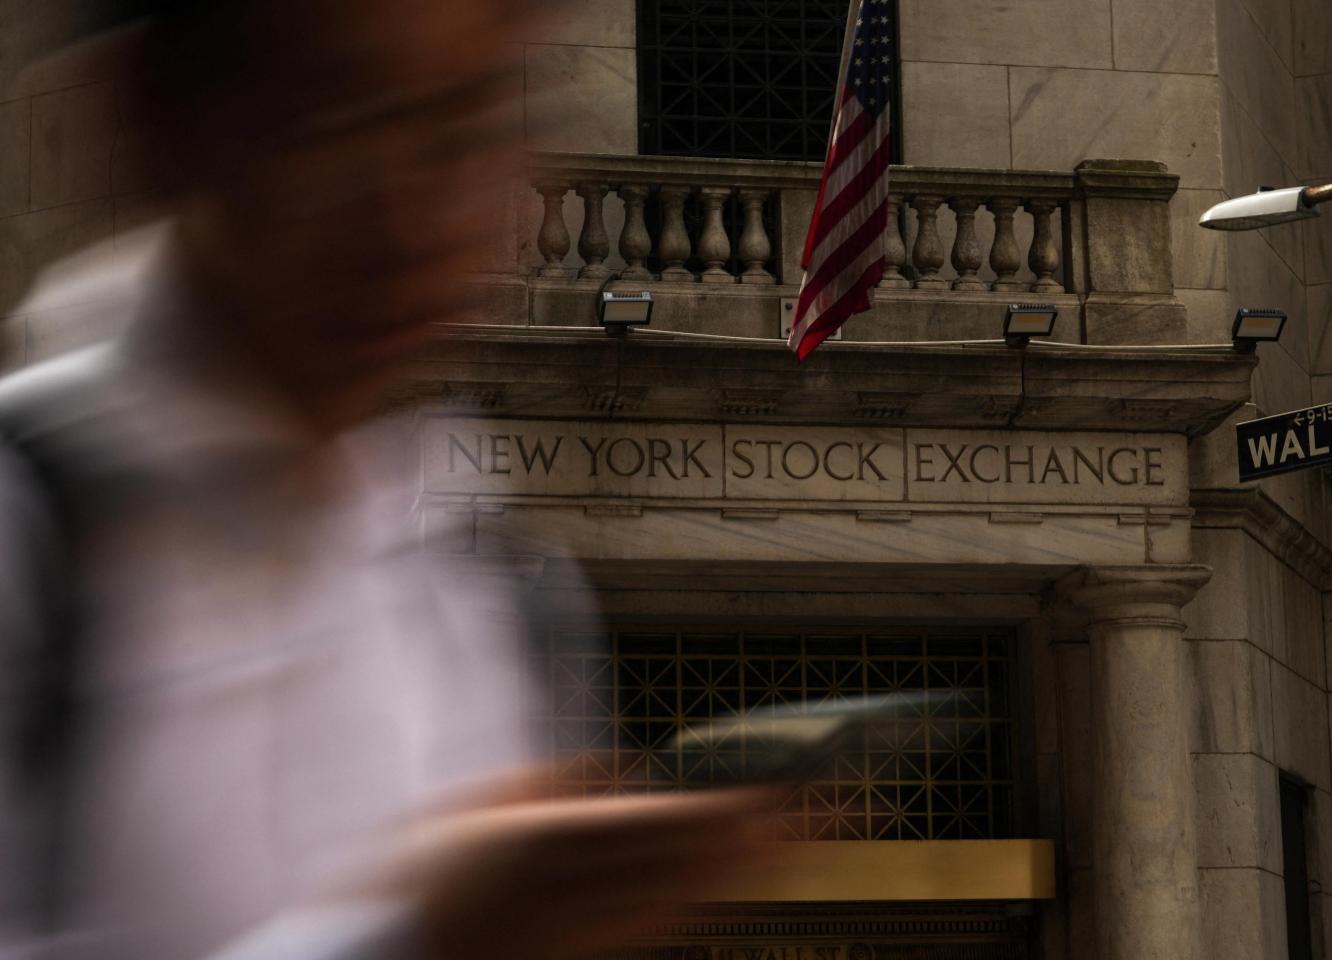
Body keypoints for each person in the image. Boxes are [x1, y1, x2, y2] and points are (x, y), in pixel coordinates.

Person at [0, 2, 768, 958]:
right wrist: (424, 934)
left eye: (463, 126)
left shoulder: (489, 578)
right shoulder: (27, 537)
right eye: (335, 125)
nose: (411, 223)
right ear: (167, 122)